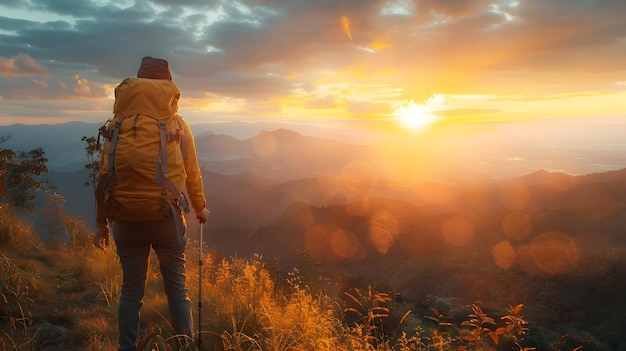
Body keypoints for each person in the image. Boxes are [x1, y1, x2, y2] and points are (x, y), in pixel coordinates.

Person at [93, 56, 210, 351]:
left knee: (131, 292)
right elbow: (192, 172)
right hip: (165, 217)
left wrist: (101, 224)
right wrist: (200, 207)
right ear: (168, 84)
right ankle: (183, 346)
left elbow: (104, 175)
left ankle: (126, 347)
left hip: (125, 218)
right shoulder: (177, 124)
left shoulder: (116, 125)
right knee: (177, 290)